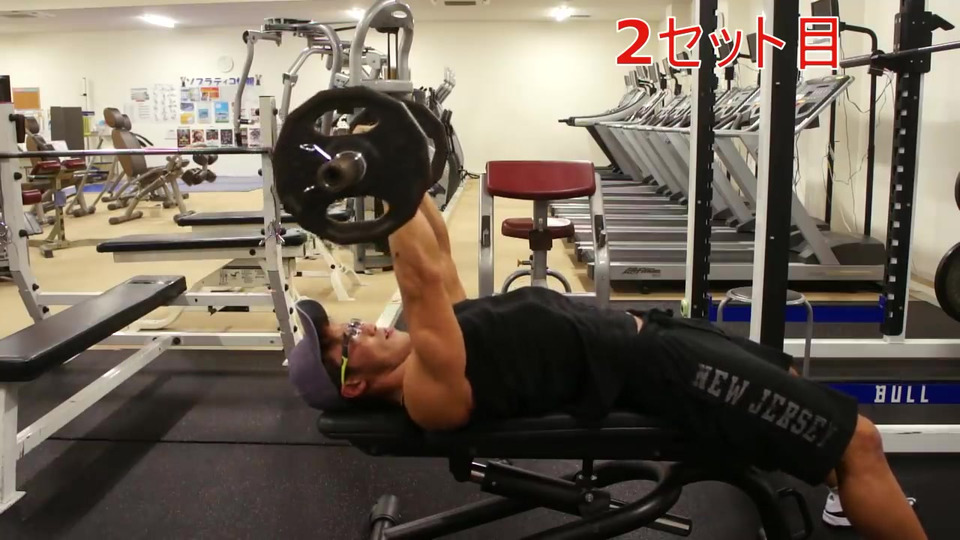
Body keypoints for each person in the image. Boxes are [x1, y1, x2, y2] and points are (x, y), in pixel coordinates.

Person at [289, 194, 926, 540]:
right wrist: (387, 182)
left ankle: (848, 499)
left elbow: (439, 255)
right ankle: (856, 486)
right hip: (661, 370)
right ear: (357, 384)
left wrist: (406, 164)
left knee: (793, 388)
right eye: (348, 340)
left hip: (660, 337)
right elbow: (420, 277)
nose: (363, 325)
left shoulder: (446, 334)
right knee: (859, 442)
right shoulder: (428, 391)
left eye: (349, 322)